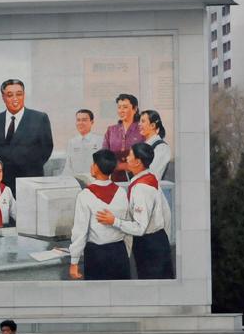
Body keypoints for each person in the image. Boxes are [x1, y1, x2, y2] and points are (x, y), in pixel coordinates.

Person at [97, 142, 173, 280]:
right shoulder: (151, 178)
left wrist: (114, 221)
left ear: (138, 162)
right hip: (158, 242)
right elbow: (166, 214)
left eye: (130, 155)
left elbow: (139, 228)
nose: (126, 158)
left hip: (149, 246)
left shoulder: (141, 189)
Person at [68, 149, 131, 280]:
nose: (91, 166)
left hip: (97, 255)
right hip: (120, 252)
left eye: (93, 163)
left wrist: (74, 262)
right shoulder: (121, 192)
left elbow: (80, 232)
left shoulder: (85, 195)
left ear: (96, 167)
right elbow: (127, 226)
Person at [0, 79, 53, 194]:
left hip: (31, 181)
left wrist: (30, 169)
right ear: (3, 97)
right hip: (3, 184)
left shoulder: (39, 118)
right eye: (10, 95)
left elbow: (46, 149)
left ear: (24, 95)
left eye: (19, 94)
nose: (15, 98)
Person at [101, 93, 144, 182]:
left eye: (125, 107)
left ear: (135, 109)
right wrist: (121, 166)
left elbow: (147, 155)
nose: (121, 110)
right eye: (119, 107)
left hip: (138, 178)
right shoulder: (111, 130)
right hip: (114, 179)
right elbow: (103, 156)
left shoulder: (142, 129)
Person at [59, 108, 103, 180]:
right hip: (76, 181)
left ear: (92, 122)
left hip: (95, 181)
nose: (80, 123)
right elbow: (68, 167)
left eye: (84, 120)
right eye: (78, 120)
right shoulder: (72, 142)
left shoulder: (100, 140)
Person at [138, 109, 172, 181]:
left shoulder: (161, 148)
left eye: (143, 121)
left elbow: (152, 174)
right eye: (139, 121)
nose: (139, 124)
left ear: (152, 125)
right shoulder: (144, 145)